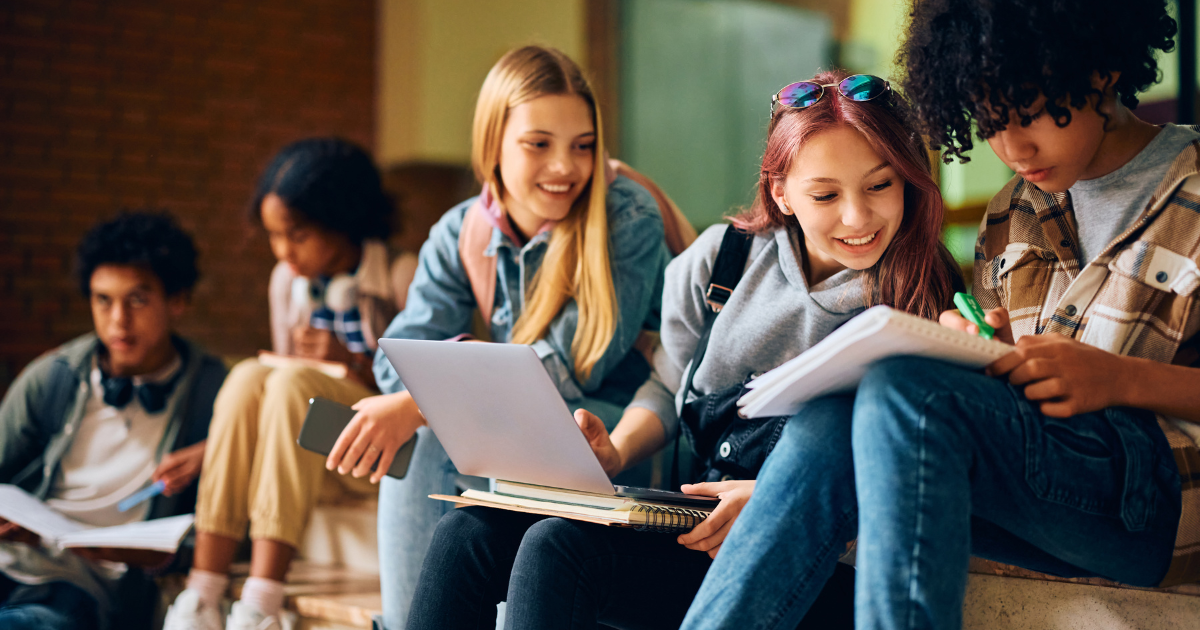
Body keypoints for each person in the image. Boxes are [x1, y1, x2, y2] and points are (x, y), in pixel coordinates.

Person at [682, 1, 1200, 628]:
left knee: (908, 394)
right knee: (829, 419)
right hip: (1036, 489)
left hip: (1158, 497)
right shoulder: (1014, 210)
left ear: (1099, 73)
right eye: (989, 122)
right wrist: (979, 352)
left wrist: (1118, 378)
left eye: (1030, 113)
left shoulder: (1191, 188)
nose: (1012, 148)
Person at [406, 69, 965, 630]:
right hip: (699, 526)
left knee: (561, 549)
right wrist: (614, 453)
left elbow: (927, 475)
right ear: (781, 192)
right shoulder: (723, 260)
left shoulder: (929, 298)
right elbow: (670, 383)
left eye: (880, 185)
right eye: (825, 194)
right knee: (469, 531)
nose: (857, 217)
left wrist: (785, 503)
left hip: (822, 562)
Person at [320, 45, 674, 629]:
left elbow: (569, 365)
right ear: (493, 145)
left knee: (433, 425)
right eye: (539, 144)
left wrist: (424, 398)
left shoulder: (625, 216)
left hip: (616, 435)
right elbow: (397, 362)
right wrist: (429, 394)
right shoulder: (462, 230)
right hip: (527, 422)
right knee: (433, 433)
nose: (565, 167)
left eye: (583, 146)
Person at [163, 138, 418, 630]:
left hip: (382, 449)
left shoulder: (400, 275)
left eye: (297, 234)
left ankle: (261, 600)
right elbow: (273, 390)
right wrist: (214, 448)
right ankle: (203, 593)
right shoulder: (286, 281)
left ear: (341, 220)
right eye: (274, 236)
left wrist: (354, 362)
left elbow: (426, 395)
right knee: (249, 376)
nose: (284, 252)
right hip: (309, 440)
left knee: (292, 383)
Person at [0, 212, 226, 630]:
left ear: (177, 301)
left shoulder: (213, 392)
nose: (117, 320)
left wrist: (166, 553)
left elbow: (229, 528)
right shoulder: (53, 378)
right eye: (103, 300)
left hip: (82, 588)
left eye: (137, 300)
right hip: (12, 562)